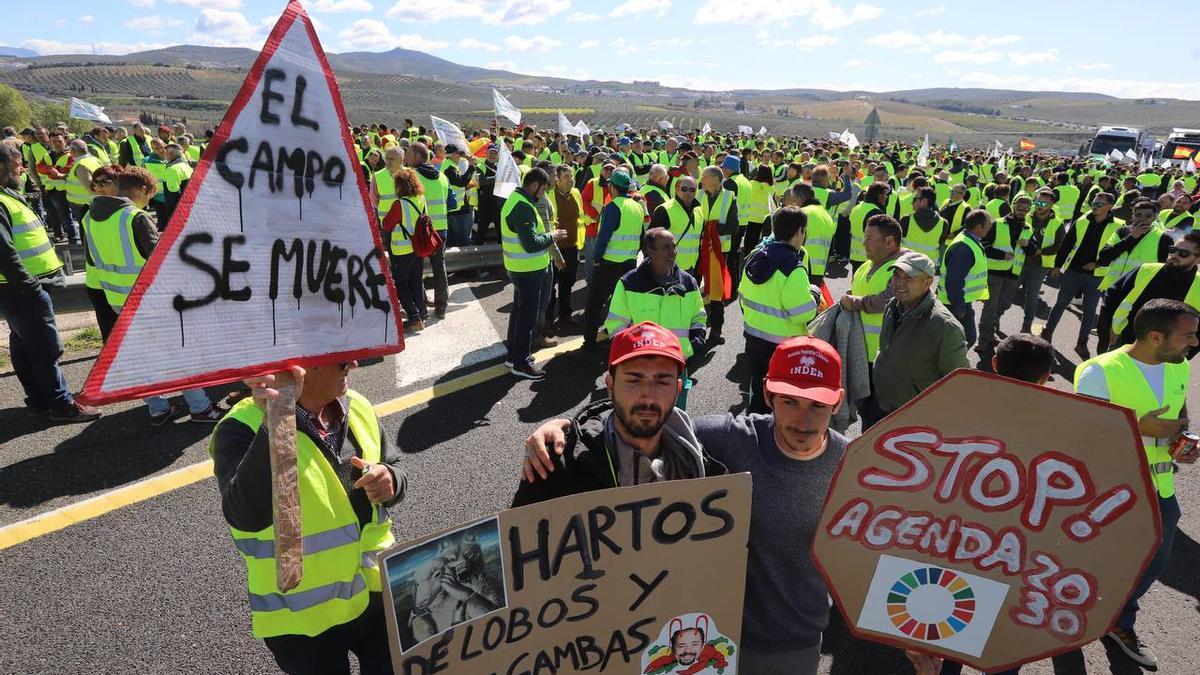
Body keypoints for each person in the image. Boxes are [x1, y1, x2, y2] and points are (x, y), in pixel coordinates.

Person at [522, 336, 850, 675]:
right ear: (767, 394)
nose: (803, 421)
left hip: (794, 642)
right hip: (712, 634)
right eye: (790, 402)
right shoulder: (732, 439)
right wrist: (563, 427)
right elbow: (645, 419)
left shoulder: (853, 468)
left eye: (817, 405)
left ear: (837, 403)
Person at [211, 361, 407, 675]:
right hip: (303, 619)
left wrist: (392, 480)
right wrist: (278, 418)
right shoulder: (243, 426)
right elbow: (244, 514)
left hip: (377, 596)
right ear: (300, 369)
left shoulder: (358, 407)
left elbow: (394, 465)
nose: (353, 364)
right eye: (339, 360)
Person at [1074, 299, 1199, 669]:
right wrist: (1141, 427)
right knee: (1089, 558)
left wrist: (1184, 441)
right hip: (1107, 489)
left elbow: (1179, 416)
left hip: (1159, 487)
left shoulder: (1178, 366)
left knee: (1150, 563)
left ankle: (1117, 622)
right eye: (1188, 335)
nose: (1193, 342)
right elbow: (1082, 430)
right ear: (1155, 336)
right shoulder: (1100, 371)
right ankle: (1065, 618)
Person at [512, 321, 721, 506]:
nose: (647, 396)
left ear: (677, 390)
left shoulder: (700, 460)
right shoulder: (554, 465)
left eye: (661, 381)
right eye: (633, 380)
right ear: (610, 386)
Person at [87, 167, 223, 424]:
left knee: (142, 355)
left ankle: (158, 408)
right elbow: (161, 262)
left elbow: (93, 261)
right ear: (140, 190)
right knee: (180, 351)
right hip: (149, 301)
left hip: (116, 299)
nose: (149, 202)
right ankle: (200, 407)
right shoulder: (134, 217)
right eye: (149, 196)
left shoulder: (89, 217)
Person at [0, 143, 100, 422]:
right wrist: (28, 285)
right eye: (17, 164)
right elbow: (3, 251)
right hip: (21, 288)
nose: (22, 168)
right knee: (45, 347)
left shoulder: (7, 195)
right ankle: (61, 404)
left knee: (24, 344)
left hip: (19, 288)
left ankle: (39, 401)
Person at [603, 228, 705, 405]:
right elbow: (616, 325)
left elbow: (699, 318)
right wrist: (635, 357)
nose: (672, 252)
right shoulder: (629, 284)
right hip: (640, 371)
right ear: (650, 250)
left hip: (676, 367)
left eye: (674, 246)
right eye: (666, 247)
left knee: (675, 421)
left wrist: (694, 345)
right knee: (643, 422)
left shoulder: (688, 282)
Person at [867, 251, 969, 427]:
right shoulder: (893, 306)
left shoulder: (944, 326)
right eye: (897, 276)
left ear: (927, 282)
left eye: (909, 278)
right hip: (879, 406)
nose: (899, 283)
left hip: (912, 421)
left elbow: (958, 385)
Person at [740, 206, 818, 413]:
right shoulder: (793, 268)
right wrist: (814, 297)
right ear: (800, 231)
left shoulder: (755, 257)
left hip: (753, 337)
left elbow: (743, 296)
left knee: (758, 393)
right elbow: (803, 313)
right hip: (784, 346)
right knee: (780, 402)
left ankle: (753, 435)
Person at [500, 168, 568, 380]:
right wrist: (553, 235)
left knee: (520, 314)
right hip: (527, 270)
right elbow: (531, 244)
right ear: (535, 185)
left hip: (522, 269)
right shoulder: (522, 206)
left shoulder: (518, 200)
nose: (544, 194)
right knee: (526, 318)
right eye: (544, 189)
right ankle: (521, 362)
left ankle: (513, 357)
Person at [1042, 191, 1123, 356]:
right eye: (1093, 203)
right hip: (1073, 271)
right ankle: (1047, 335)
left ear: (1110, 207)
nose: (1094, 207)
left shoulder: (1119, 226)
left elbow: (1118, 252)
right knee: (1060, 304)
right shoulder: (1082, 220)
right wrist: (1057, 266)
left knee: (1090, 310)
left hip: (1098, 275)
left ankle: (1081, 343)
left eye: (1099, 204)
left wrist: (1098, 264)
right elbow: (1066, 244)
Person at [840, 214, 905, 417]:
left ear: (888, 241)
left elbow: (889, 299)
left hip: (887, 359)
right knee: (865, 412)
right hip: (862, 356)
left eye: (869, 238)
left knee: (879, 417)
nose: (864, 242)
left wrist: (857, 302)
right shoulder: (867, 265)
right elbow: (861, 292)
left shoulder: (902, 268)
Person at [1099, 231, 1200, 354]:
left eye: (1183, 253)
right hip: (1124, 346)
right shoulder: (1146, 270)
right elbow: (1112, 298)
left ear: (1197, 259)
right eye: (1173, 249)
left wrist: (1186, 355)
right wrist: (1107, 335)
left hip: (1167, 357)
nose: (1174, 255)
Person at [581, 170, 644, 353]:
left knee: (594, 305)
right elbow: (642, 236)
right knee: (623, 306)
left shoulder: (613, 206)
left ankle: (589, 345)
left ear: (613, 187)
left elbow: (603, 237)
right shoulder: (637, 206)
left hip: (609, 264)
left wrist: (597, 259)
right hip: (629, 264)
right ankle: (623, 342)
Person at [975, 195, 1033, 354]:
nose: (1022, 211)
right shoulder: (997, 223)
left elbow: (1033, 251)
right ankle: (983, 339)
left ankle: (991, 331)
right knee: (990, 306)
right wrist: (1002, 255)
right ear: (1013, 206)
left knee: (1004, 305)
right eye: (1020, 208)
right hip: (995, 272)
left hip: (1013, 274)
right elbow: (983, 246)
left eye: (1026, 209)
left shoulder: (1028, 228)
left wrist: (1028, 246)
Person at [381, 167, 428, 332]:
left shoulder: (399, 204)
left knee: (401, 283)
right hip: (419, 247)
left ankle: (414, 318)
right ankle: (421, 314)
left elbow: (386, 224)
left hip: (402, 250)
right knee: (416, 281)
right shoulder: (421, 198)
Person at [407, 142, 450, 319]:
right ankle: (441, 306)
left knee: (416, 268)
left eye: (408, 153)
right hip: (441, 230)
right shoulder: (441, 176)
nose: (406, 156)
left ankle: (421, 302)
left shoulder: (412, 176)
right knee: (439, 267)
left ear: (418, 156)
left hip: (421, 230)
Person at [939, 209, 992, 348]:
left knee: (958, 341)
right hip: (955, 303)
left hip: (959, 301)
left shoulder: (969, 241)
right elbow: (954, 281)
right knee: (965, 340)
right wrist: (960, 308)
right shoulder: (964, 248)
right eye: (988, 224)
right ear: (978, 227)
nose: (990, 227)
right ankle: (949, 368)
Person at [1018, 188, 1065, 333]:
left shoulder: (1057, 224)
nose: (1040, 205)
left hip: (1040, 264)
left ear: (1051, 205)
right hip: (1019, 261)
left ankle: (1027, 325)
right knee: (1007, 293)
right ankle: (996, 318)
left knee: (1032, 296)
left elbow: (1060, 245)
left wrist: (1040, 251)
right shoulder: (1026, 217)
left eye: (1044, 203)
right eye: (1038, 201)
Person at [548, 164, 584, 329]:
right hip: (554, 249)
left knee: (567, 283)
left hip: (572, 246)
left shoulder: (576, 193)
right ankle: (548, 319)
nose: (571, 180)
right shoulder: (549, 195)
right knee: (550, 285)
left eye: (571, 176)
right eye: (567, 177)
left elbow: (581, 218)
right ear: (557, 179)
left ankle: (565, 315)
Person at [650, 174, 701, 274]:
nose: (688, 192)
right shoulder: (664, 210)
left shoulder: (699, 210)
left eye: (692, 190)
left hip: (691, 267)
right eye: (684, 189)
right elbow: (651, 241)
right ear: (676, 189)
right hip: (669, 268)